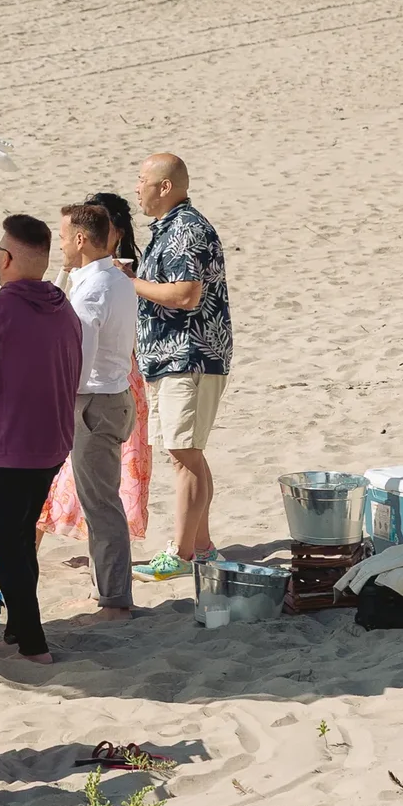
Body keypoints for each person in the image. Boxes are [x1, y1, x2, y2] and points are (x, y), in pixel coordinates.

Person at [0, 214, 82, 663]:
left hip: (5, 450)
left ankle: (32, 640)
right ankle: (18, 631)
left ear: (6, 259)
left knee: (5, 545)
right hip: (50, 445)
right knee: (20, 539)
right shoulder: (63, 309)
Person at [132, 153, 232, 570]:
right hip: (171, 357)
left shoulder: (186, 230)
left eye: (142, 180)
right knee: (185, 453)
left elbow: (186, 294)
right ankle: (203, 546)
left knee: (184, 452)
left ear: (165, 187)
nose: (137, 188)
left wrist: (130, 282)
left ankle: (183, 551)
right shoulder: (169, 228)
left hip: (188, 355)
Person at [59, 198, 142, 620]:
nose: (61, 247)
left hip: (94, 401)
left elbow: (79, 362)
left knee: (101, 505)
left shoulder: (92, 290)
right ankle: (107, 591)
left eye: (63, 238)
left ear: (79, 239)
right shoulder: (118, 279)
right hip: (115, 395)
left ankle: (114, 599)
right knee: (100, 501)